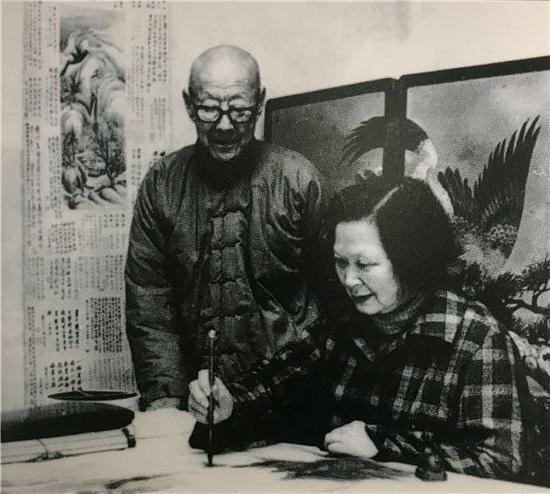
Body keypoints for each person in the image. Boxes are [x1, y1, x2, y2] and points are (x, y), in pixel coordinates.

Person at [188, 174, 531, 482]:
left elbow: (500, 463)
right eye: (340, 262)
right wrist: (229, 405)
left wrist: (385, 443)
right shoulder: (343, 324)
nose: (349, 280)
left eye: (365, 264)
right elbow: (278, 384)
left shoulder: (479, 340)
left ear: (414, 259)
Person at [126, 45, 325, 411]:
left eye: (240, 110)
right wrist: (166, 399)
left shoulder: (298, 179)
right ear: (188, 104)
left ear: (261, 102)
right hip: (195, 402)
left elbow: (334, 298)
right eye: (208, 109)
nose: (224, 125)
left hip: (289, 398)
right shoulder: (161, 184)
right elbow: (150, 302)